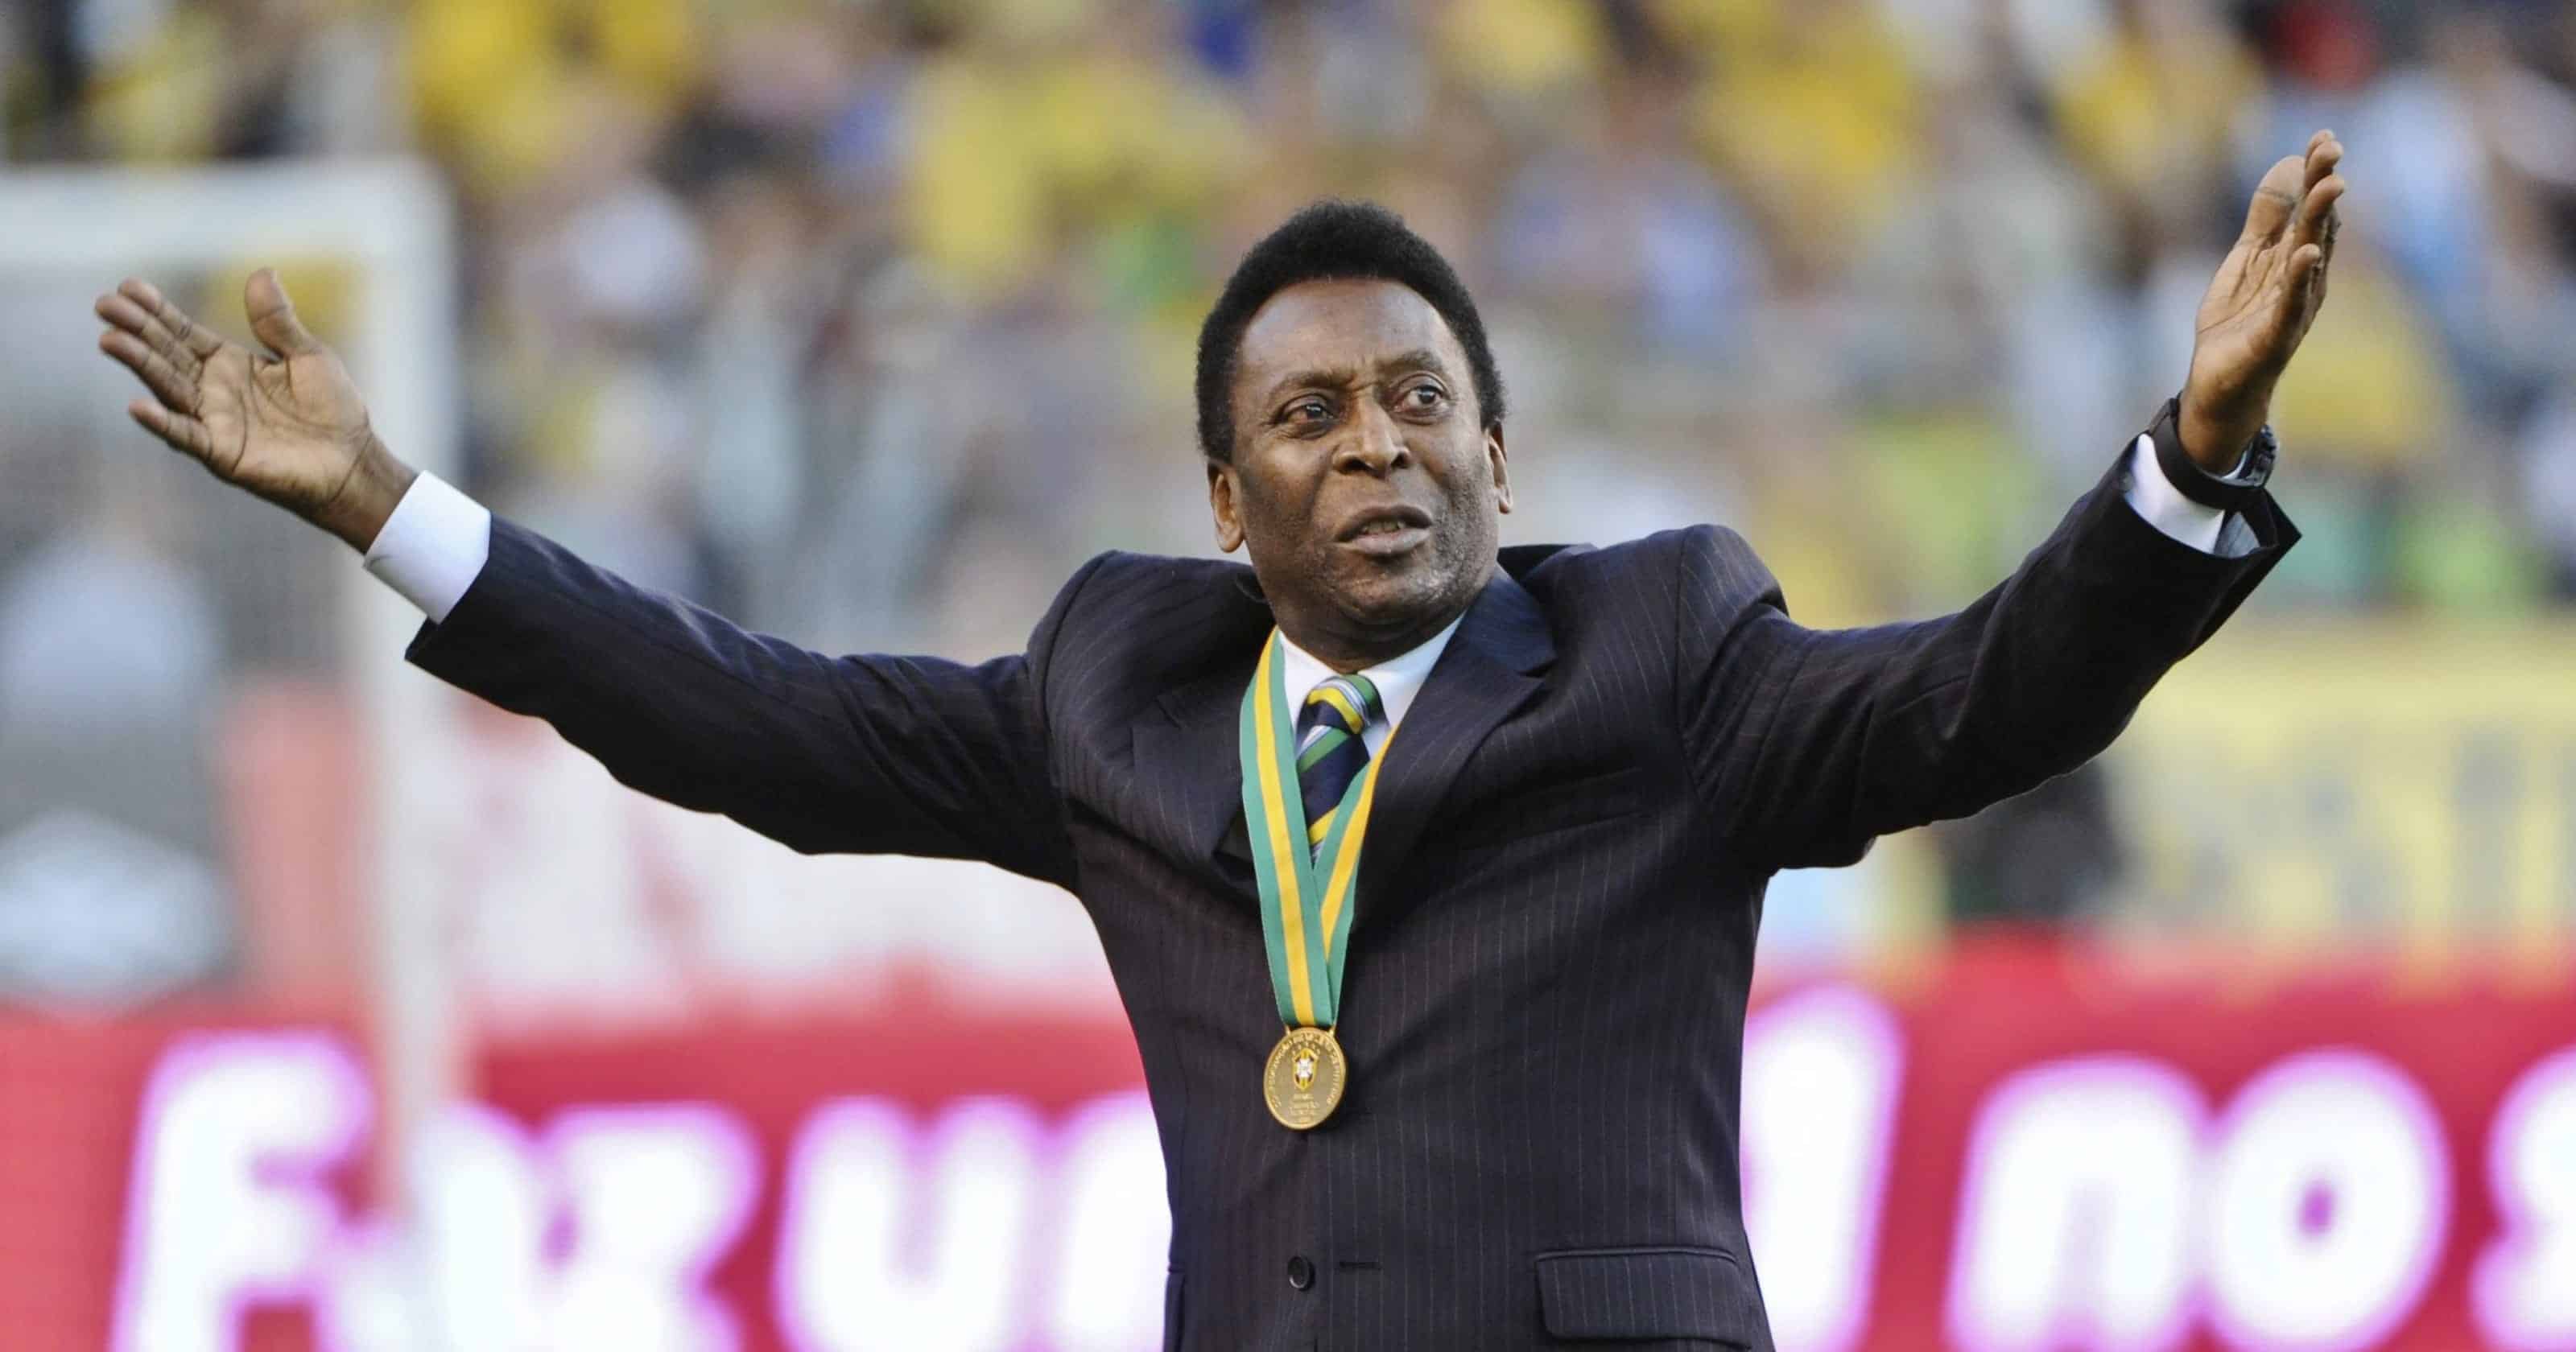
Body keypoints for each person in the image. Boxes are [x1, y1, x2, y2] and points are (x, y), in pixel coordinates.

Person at [94, 134, 2344, 1351]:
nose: (1377, 445)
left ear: (1496, 453)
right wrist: (394, 511)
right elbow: (762, 725)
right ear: (1226, 499)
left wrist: (2187, 456)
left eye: (1421, 401)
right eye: (1312, 413)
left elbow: (1980, 697)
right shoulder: (1122, 699)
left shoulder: (1667, 659)